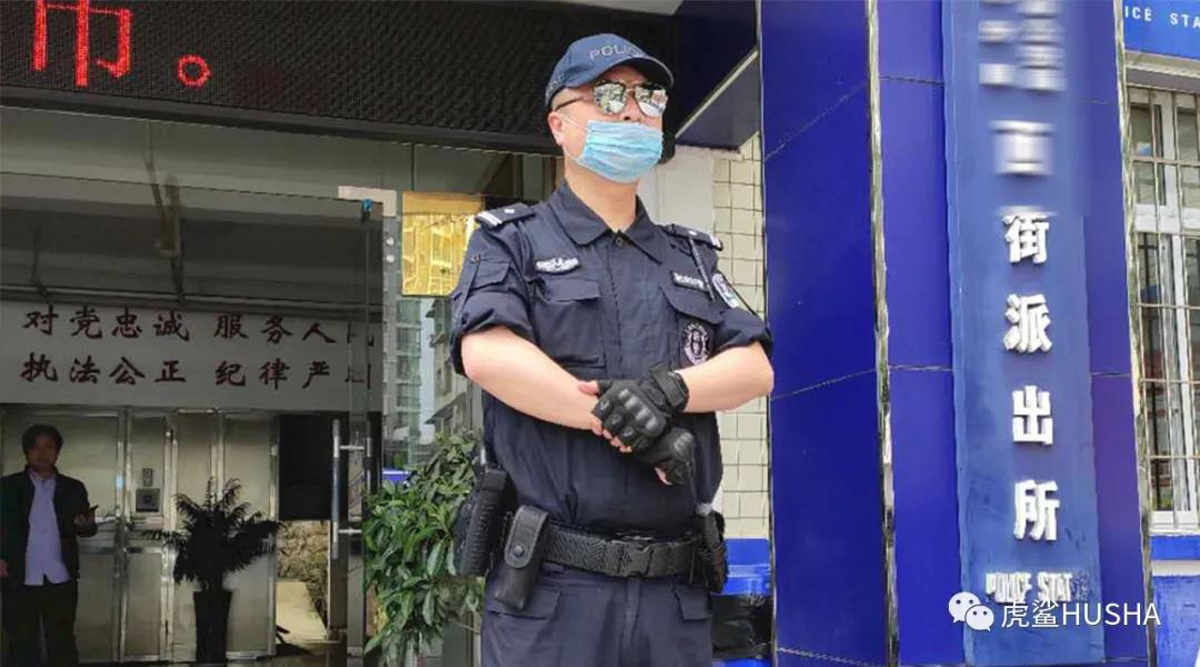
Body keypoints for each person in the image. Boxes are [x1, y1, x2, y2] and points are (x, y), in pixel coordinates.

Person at [450, 33, 774, 666]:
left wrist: (666, 392)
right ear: (559, 125)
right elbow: (488, 354)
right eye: (608, 96)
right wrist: (625, 423)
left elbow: (754, 366)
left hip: (673, 598)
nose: (632, 111)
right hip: (553, 594)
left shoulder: (690, 257)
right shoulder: (511, 241)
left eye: (648, 97)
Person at [1, 424, 97, 667]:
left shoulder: (73, 488)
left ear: (58, 452)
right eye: (35, 447)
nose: (42, 453)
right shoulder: (7, 487)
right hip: (19, 576)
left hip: (60, 577)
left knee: (62, 642)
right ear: (26, 452)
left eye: (49, 447)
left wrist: (85, 525)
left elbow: (85, 528)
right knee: (21, 643)